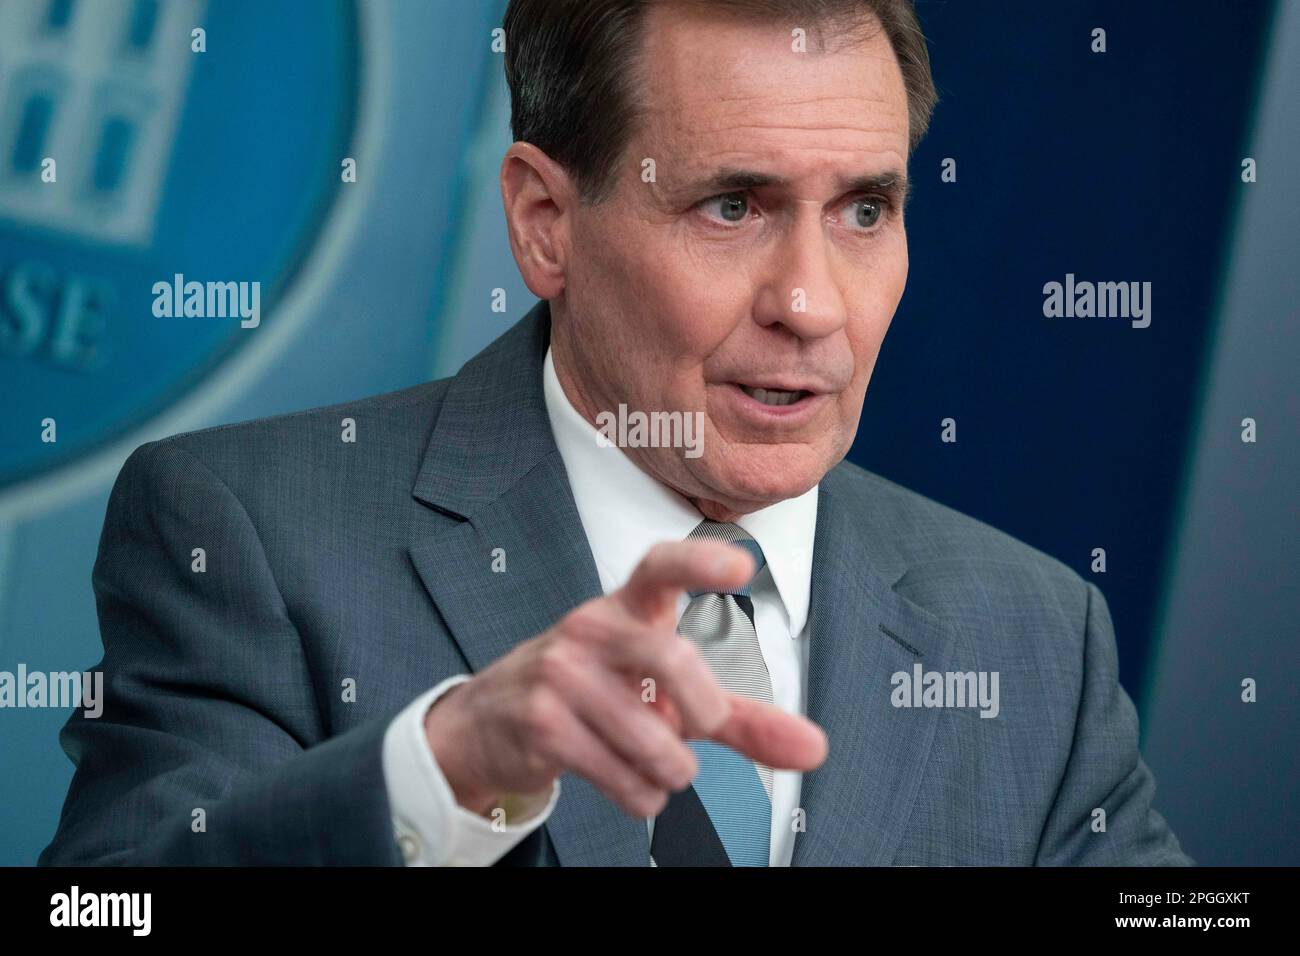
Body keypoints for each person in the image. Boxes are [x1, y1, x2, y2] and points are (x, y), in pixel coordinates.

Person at [40, 0, 1192, 866]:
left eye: (863, 211)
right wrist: (441, 770)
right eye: (732, 206)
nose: (811, 303)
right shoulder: (247, 528)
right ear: (546, 226)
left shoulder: (1035, 632)